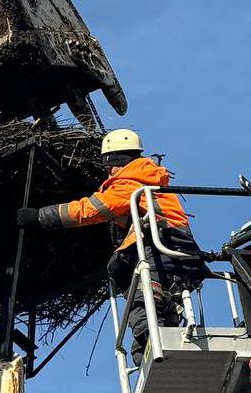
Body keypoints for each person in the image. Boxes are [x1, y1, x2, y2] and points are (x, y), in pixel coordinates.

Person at [16, 129, 206, 367]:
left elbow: (91, 209)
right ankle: (159, 357)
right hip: (179, 252)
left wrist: (41, 217)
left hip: (159, 248)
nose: (108, 172)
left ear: (116, 161)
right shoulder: (152, 183)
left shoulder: (130, 183)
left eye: (109, 167)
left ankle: (154, 360)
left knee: (142, 302)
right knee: (159, 304)